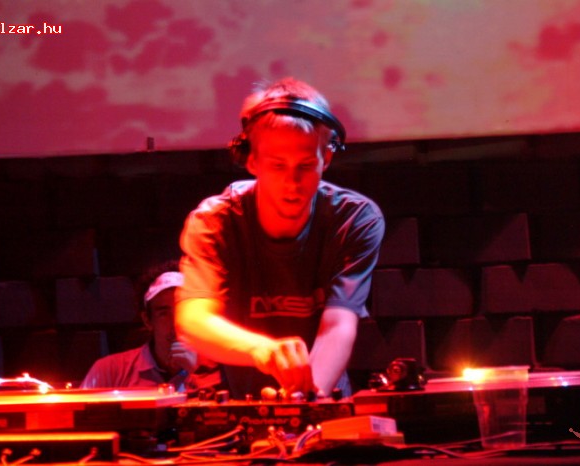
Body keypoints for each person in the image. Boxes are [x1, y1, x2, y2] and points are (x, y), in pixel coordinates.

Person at [175, 77, 385, 400]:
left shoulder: (354, 220)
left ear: (326, 159)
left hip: (321, 396)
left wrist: (304, 399)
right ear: (252, 160)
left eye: (305, 165)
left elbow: (338, 325)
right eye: (277, 166)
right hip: (238, 405)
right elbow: (193, 320)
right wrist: (262, 349)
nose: (292, 183)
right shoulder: (213, 222)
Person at [81, 261, 221, 393]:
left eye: (182, 311)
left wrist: (196, 373)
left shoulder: (220, 370)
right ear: (147, 320)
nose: (176, 322)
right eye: (164, 314)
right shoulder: (109, 370)